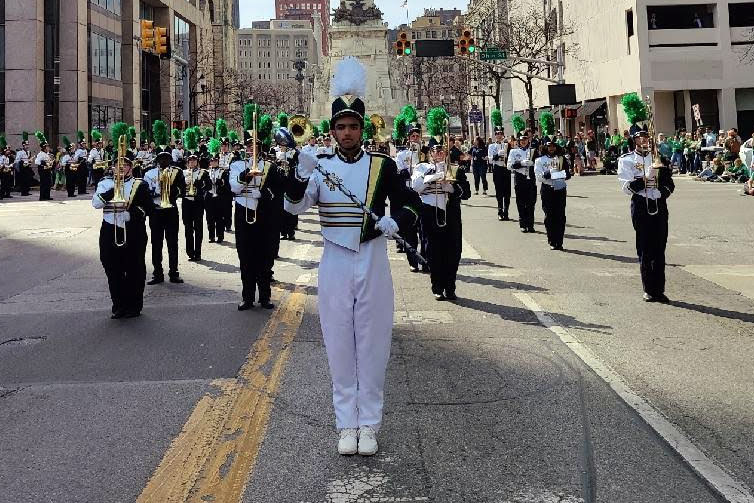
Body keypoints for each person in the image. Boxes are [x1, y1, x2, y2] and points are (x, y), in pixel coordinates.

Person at [283, 57, 422, 457]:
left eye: (353, 126)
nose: (347, 133)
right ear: (332, 131)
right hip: (335, 262)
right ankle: (346, 424)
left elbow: (411, 203)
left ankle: (370, 424)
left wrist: (398, 221)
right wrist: (298, 171)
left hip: (373, 259)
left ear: (363, 129)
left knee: (374, 344)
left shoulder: (384, 165)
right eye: (340, 127)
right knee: (339, 343)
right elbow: (293, 207)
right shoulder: (319, 166)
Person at [92, 155, 153, 319]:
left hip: (133, 230)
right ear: (112, 167)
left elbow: (149, 208)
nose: (121, 167)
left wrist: (132, 213)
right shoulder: (105, 183)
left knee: (135, 268)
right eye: (117, 164)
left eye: (125, 164)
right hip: (109, 229)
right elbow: (96, 203)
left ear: (130, 167)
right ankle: (119, 305)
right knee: (112, 268)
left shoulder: (139, 184)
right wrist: (112, 192)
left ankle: (134, 306)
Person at [230, 132, 285, 311]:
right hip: (243, 210)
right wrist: (247, 174)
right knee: (245, 255)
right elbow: (234, 187)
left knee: (265, 255)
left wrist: (264, 194)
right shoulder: (237, 165)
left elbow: (278, 189)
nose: (250, 149)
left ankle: (265, 296)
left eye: (254, 146)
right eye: (248, 146)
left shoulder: (270, 166)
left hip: (264, 212)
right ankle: (247, 297)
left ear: (260, 149)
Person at [618, 131, 675, 303]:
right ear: (634, 140)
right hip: (641, 205)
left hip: (659, 205)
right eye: (639, 138)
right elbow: (626, 188)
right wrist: (645, 179)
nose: (643, 141)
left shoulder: (659, 158)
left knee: (660, 248)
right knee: (645, 247)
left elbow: (670, 184)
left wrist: (661, 192)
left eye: (646, 138)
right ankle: (648, 289)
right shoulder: (626, 160)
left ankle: (659, 289)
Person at [411, 142, 470, 300]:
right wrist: (432, 175)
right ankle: (437, 287)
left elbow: (466, 193)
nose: (439, 153)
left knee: (453, 251)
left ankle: (450, 287)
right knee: (433, 252)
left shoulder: (456, 169)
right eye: (435, 151)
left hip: (451, 213)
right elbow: (415, 187)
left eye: (442, 151)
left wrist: (450, 188)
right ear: (430, 153)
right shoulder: (421, 168)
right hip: (430, 212)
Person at [143, 150, 186, 285]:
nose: (164, 162)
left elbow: (182, 189)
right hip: (156, 211)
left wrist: (169, 192)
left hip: (171, 210)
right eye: (161, 159)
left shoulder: (177, 172)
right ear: (157, 161)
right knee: (156, 243)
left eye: (166, 159)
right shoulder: (149, 173)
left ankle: (174, 272)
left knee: (172, 242)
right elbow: (144, 191)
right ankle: (157, 273)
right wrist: (155, 192)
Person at [395, 122, 426, 269]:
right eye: (412, 136)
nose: (415, 138)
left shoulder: (426, 153)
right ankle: (413, 261)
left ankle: (426, 259)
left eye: (417, 135)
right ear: (408, 138)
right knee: (410, 230)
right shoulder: (402, 154)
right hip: (409, 194)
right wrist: (404, 171)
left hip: (424, 193)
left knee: (425, 230)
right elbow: (400, 171)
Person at [535, 139, 572, 250]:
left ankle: (559, 241)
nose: (551, 148)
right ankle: (552, 240)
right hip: (547, 189)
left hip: (560, 188)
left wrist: (556, 175)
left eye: (553, 146)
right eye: (549, 146)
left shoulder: (561, 159)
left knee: (560, 216)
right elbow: (539, 176)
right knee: (549, 215)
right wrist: (549, 173)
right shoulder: (540, 160)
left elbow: (568, 175)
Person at [182, 152, 212, 261]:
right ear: (187, 162)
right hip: (186, 202)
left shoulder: (203, 173)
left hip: (198, 202)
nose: (192, 162)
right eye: (190, 161)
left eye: (194, 161)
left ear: (197, 162)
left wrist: (201, 184)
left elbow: (209, 185)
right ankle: (190, 252)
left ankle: (198, 253)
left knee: (198, 228)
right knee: (188, 228)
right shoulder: (183, 173)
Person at [508, 133, 537, 233]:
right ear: (519, 142)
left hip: (530, 179)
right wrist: (521, 163)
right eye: (521, 140)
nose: (523, 142)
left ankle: (531, 225)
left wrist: (533, 164)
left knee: (531, 203)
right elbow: (509, 165)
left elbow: (539, 164)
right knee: (521, 202)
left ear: (528, 141)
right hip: (520, 179)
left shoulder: (533, 151)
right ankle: (523, 224)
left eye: (525, 140)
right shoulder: (513, 151)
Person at [205, 141, 227, 244]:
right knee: (210, 218)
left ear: (218, 162)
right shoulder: (206, 172)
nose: (213, 162)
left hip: (219, 197)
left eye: (215, 161)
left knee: (219, 218)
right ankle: (211, 236)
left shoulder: (223, 171)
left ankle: (220, 236)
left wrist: (218, 182)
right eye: (212, 161)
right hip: (209, 196)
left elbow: (225, 184)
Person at [488, 127, 511, 220]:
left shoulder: (507, 145)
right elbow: (490, 160)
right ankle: (500, 211)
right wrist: (497, 155)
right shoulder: (491, 146)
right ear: (495, 135)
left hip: (506, 169)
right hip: (497, 169)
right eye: (497, 133)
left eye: (500, 133)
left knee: (507, 192)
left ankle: (506, 211)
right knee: (499, 191)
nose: (499, 135)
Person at [35, 136, 54, 201]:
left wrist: (51, 163)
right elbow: (36, 162)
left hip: (47, 169)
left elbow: (49, 161)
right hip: (42, 170)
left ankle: (47, 196)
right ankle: (42, 197)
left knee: (48, 183)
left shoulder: (47, 154)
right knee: (43, 183)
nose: (48, 148)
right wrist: (43, 163)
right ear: (44, 148)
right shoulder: (40, 154)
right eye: (47, 147)